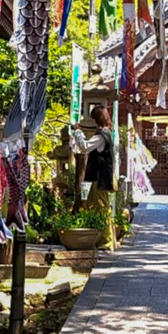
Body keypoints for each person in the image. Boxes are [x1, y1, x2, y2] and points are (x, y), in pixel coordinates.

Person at [73, 105, 116, 251]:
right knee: (98, 206)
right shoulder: (107, 133)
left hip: (100, 178)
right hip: (101, 177)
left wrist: (78, 131)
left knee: (101, 208)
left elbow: (85, 146)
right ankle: (104, 239)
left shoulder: (101, 136)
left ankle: (106, 241)